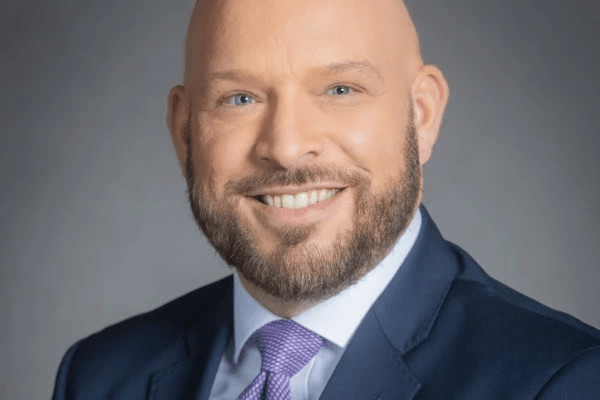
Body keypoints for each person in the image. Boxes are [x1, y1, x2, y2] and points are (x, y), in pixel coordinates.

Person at [52, 0, 600, 399]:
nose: (287, 148)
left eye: (340, 90)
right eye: (239, 98)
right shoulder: (99, 376)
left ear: (422, 116)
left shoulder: (564, 381)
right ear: (184, 131)